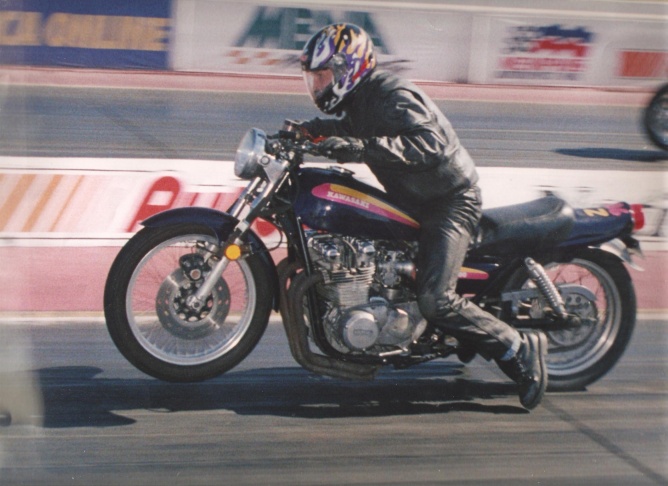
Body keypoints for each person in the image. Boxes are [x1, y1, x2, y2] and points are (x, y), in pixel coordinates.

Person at [294, 23, 548, 410]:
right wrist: (306, 133)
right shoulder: (359, 102)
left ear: (348, 69)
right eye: (314, 78)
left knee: (435, 298)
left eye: (323, 75)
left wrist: (358, 148)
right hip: (413, 199)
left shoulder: (392, 93)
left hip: (448, 201)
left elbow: (430, 144)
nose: (318, 85)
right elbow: (347, 130)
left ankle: (517, 348)